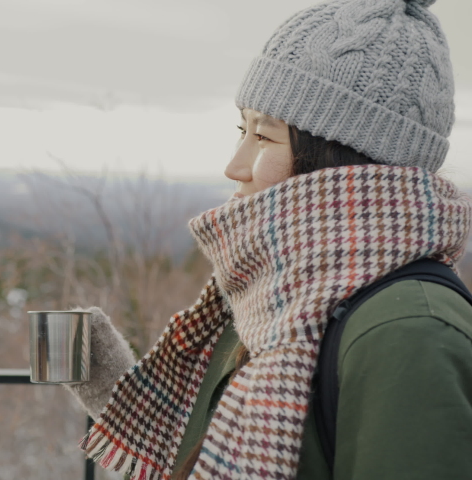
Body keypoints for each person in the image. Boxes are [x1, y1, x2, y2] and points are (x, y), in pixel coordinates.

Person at [66, 0, 472, 478]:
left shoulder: (407, 331)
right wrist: (130, 400)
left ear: (342, 157)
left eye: (265, 136)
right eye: (243, 129)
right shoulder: (273, 299)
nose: (235, 166)